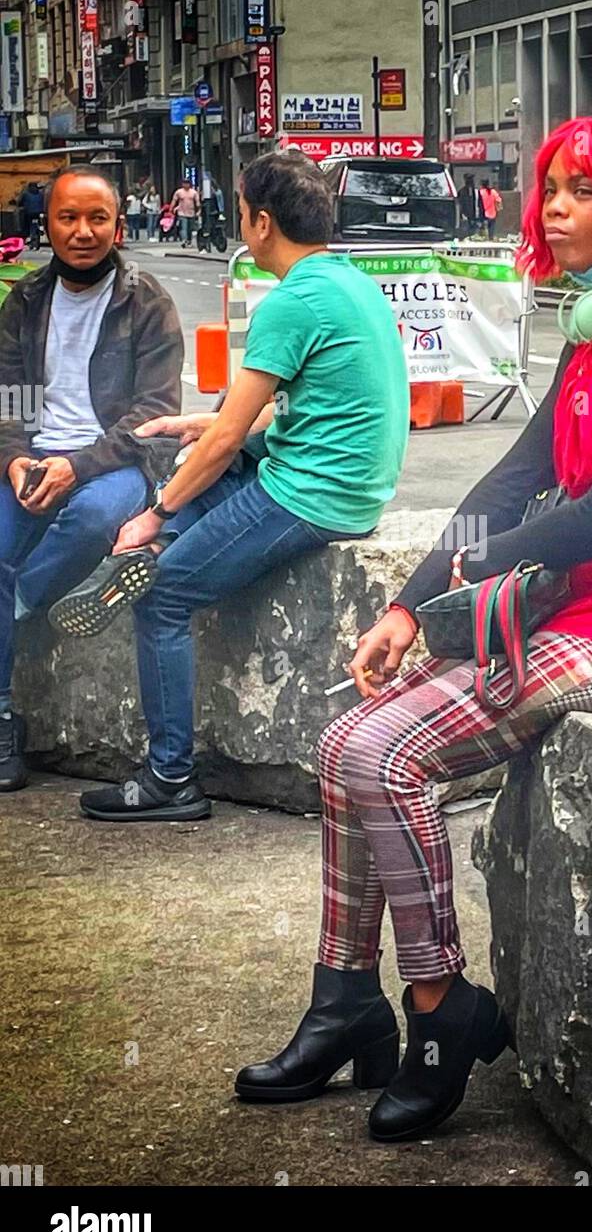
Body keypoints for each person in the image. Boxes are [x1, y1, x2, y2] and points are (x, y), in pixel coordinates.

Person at [231, 105, 592, 1144]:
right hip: (565, 617)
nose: (551, 207)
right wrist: (404, 603)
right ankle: (345, 1002)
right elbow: (517, 474)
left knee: (382, 754)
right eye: (549, 185)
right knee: (342, 744)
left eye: (582, 189)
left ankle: (436, 1009)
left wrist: (470, 570)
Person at [49, 150, 410, 825]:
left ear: (262, 222)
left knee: (161, 601)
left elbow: (222, 445)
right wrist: (204, 422)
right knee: (205, 449)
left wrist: (157, 512)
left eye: (242, 213)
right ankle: (166, 546)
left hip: (311, 494)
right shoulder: (349, 283)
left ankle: (169, 777)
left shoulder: (293, 301)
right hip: (348, 480)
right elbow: (271, 415)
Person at [0, 166, 184, 792]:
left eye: (97, 218)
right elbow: (12, 402)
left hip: (116, 464)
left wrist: (75, 465)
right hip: (37, 459)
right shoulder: (24, 301)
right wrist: (17, 459)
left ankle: (19, 608)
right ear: (45, 224)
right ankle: (1, 726)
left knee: (93, 518)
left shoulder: (146, 299)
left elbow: (153, 413)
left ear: (117, 223)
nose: (83, 232)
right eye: (68, 218)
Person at [170, 178, 200, 247]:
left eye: (187, 183)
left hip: (191, 213)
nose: (186, 184)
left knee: (190, 229)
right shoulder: (179, 192)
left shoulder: (193, 192)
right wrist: (171, 208)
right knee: (184, 227)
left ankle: (189, 241)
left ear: (189, 184)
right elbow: (174, 200)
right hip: (182, 212)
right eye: (184, 183)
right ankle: (184, 240)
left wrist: (198, 210)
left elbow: (197, 202)